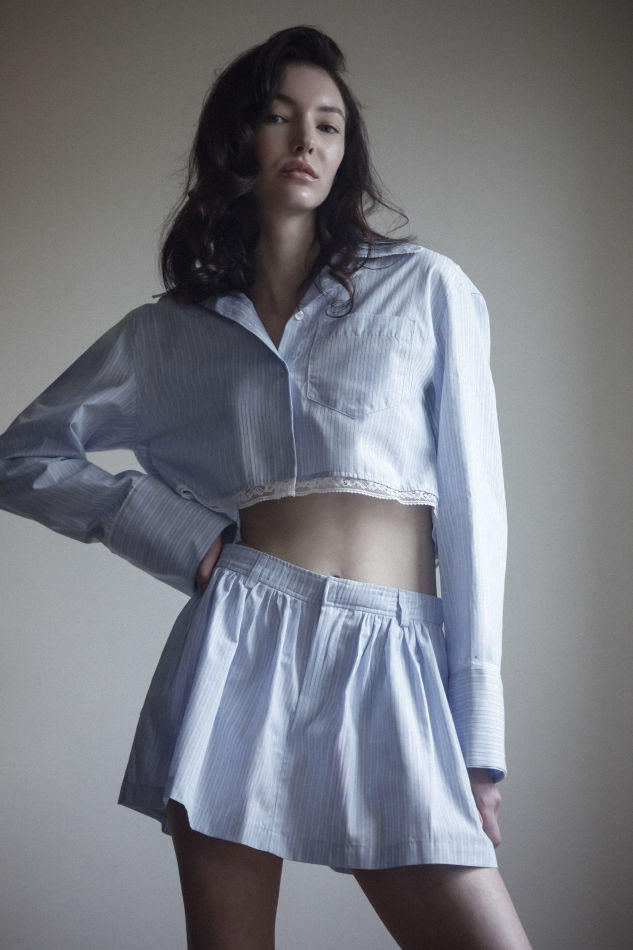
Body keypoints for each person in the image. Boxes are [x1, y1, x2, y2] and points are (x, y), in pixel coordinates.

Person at [0, 25, 532, 950]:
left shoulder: (425, 291)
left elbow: (476, 512)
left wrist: (477, 737)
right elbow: (23, 454)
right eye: (280, 117)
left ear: (344, 151)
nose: (306, 141)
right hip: (240, 643)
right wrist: (173, 533)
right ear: (236, 139)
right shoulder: (170, 334)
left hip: (394, 653)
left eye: (327, 124)